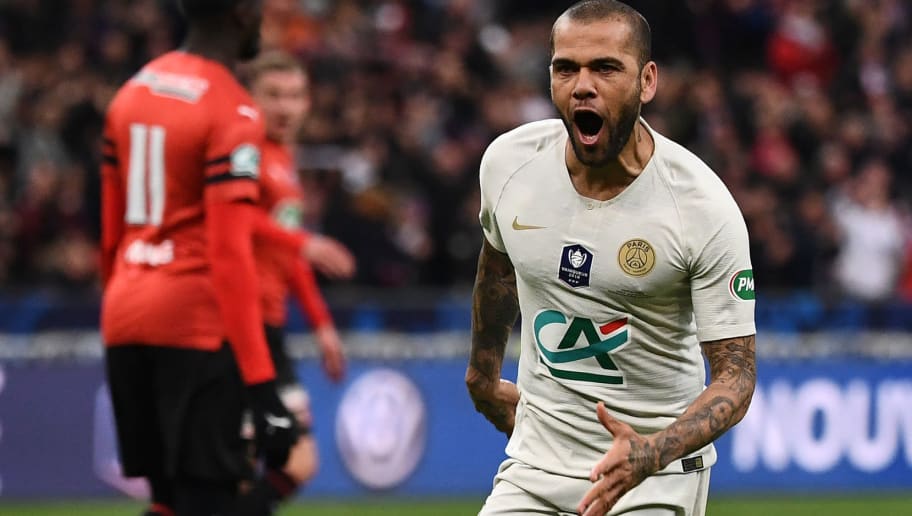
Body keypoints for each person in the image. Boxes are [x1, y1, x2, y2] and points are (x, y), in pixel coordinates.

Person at [466, 2, 756, 516]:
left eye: (605, 68)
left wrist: (651, 452)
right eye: (565, 68)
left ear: (647, 81)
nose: (582, 86)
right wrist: (482, 374)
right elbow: (498, 268)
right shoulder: (509, 164)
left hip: (654, 477)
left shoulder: (701, 207)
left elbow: (736, 378)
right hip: (536, 464)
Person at [99, 1, 354, 515]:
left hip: (126, 316)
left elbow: (110, 234)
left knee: (168, 500)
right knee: (212, 498)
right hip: (199, 323)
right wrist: (259, 382)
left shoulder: (133, 90)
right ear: (240, 13)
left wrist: (117, 307)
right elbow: (230, 254)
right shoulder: (232, 111)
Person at [233, 50, 349, 514]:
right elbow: (235, 218)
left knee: (299, 462)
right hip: (235, 325)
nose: (286, 107)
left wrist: (322, 324)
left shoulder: (283, 158)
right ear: (251, 99)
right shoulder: (243, 153)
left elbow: (290, 256)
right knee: (238, 465)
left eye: (296, 95)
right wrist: (304, 241)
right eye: (274, 95)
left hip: (270, 327)